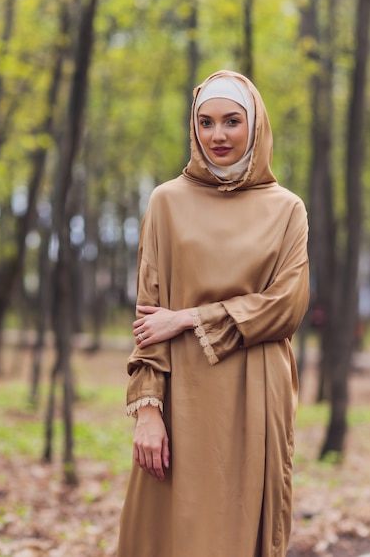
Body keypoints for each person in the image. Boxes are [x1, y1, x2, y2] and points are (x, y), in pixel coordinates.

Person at [117, 69, 309, 557]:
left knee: (239, 530)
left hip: (255, 396)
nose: (217, 135)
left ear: (256, 126)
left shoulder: (287, 209)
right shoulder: (166, 202)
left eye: (231, 121)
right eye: (205, 122)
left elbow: (286, 305)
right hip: (181, 395)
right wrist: (147, 412)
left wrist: (188, 318)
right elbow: (148, 315)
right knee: (169, 532)